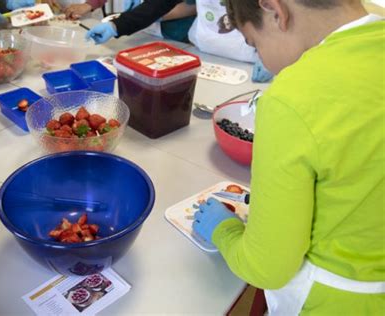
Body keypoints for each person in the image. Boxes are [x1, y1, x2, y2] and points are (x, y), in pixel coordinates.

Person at [193, 0, 384, 315]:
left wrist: (223, 230)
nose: (264, 62)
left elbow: (267, 267)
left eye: (255, 45)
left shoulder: (292, 98)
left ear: (275, 11)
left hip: (338, 303)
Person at [85, 0, 273, 82]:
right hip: (204, 54)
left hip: (250, 60)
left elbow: (273, 14)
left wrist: (269, 51)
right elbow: (159, 4)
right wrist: (117, 26)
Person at [65, 0, 197, 44]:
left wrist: (154, 16)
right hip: (142, 26)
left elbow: (195, 6)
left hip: (176, 33)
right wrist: (115, 26)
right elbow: (159, 4)